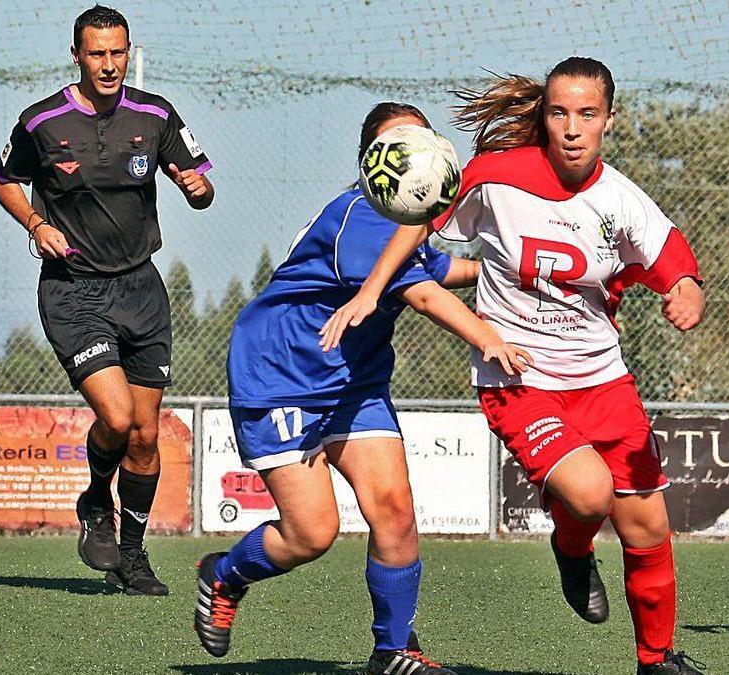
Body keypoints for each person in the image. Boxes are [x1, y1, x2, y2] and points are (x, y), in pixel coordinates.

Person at [321, 58, 708, 675]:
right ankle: (571, 548)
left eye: (587, 114)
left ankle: (655, 660)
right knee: (588, 493)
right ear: (545, 118)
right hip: (520, 379)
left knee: (647, 524)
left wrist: (685, 290)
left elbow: (674, 262)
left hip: (604, 380)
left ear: (609, 118)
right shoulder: (495, 177)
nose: (572, 128)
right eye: (559, 113)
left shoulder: (622, 201)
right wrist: (372, 289)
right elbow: (424, 219)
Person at [193, 102, 531, 675]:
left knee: (395, 511)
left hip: (354, 383)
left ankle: (392, 651)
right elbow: (422, 294)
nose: (413, 154)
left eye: (420, 139)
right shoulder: (362, 212)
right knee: (312, 533)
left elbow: (435, 270)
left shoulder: (407, 221)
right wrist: (486, 336)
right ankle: (223, 575)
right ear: (371, 161)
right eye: (397, 143)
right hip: (284, 380)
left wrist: (509, 266)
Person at [0, 5, 215, 595]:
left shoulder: (156, 114)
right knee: (116, 418)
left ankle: (133, 557)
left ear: (128, 50)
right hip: (74, 291)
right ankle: (95, 501)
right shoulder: (41, 121)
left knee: (144, 434)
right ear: (76, 56)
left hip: (141, 288)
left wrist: (197, 188)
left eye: (118, 53)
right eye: (97, 54)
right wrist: (36, 224)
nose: (109, 65)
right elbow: (4, 180)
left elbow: (199, 184)